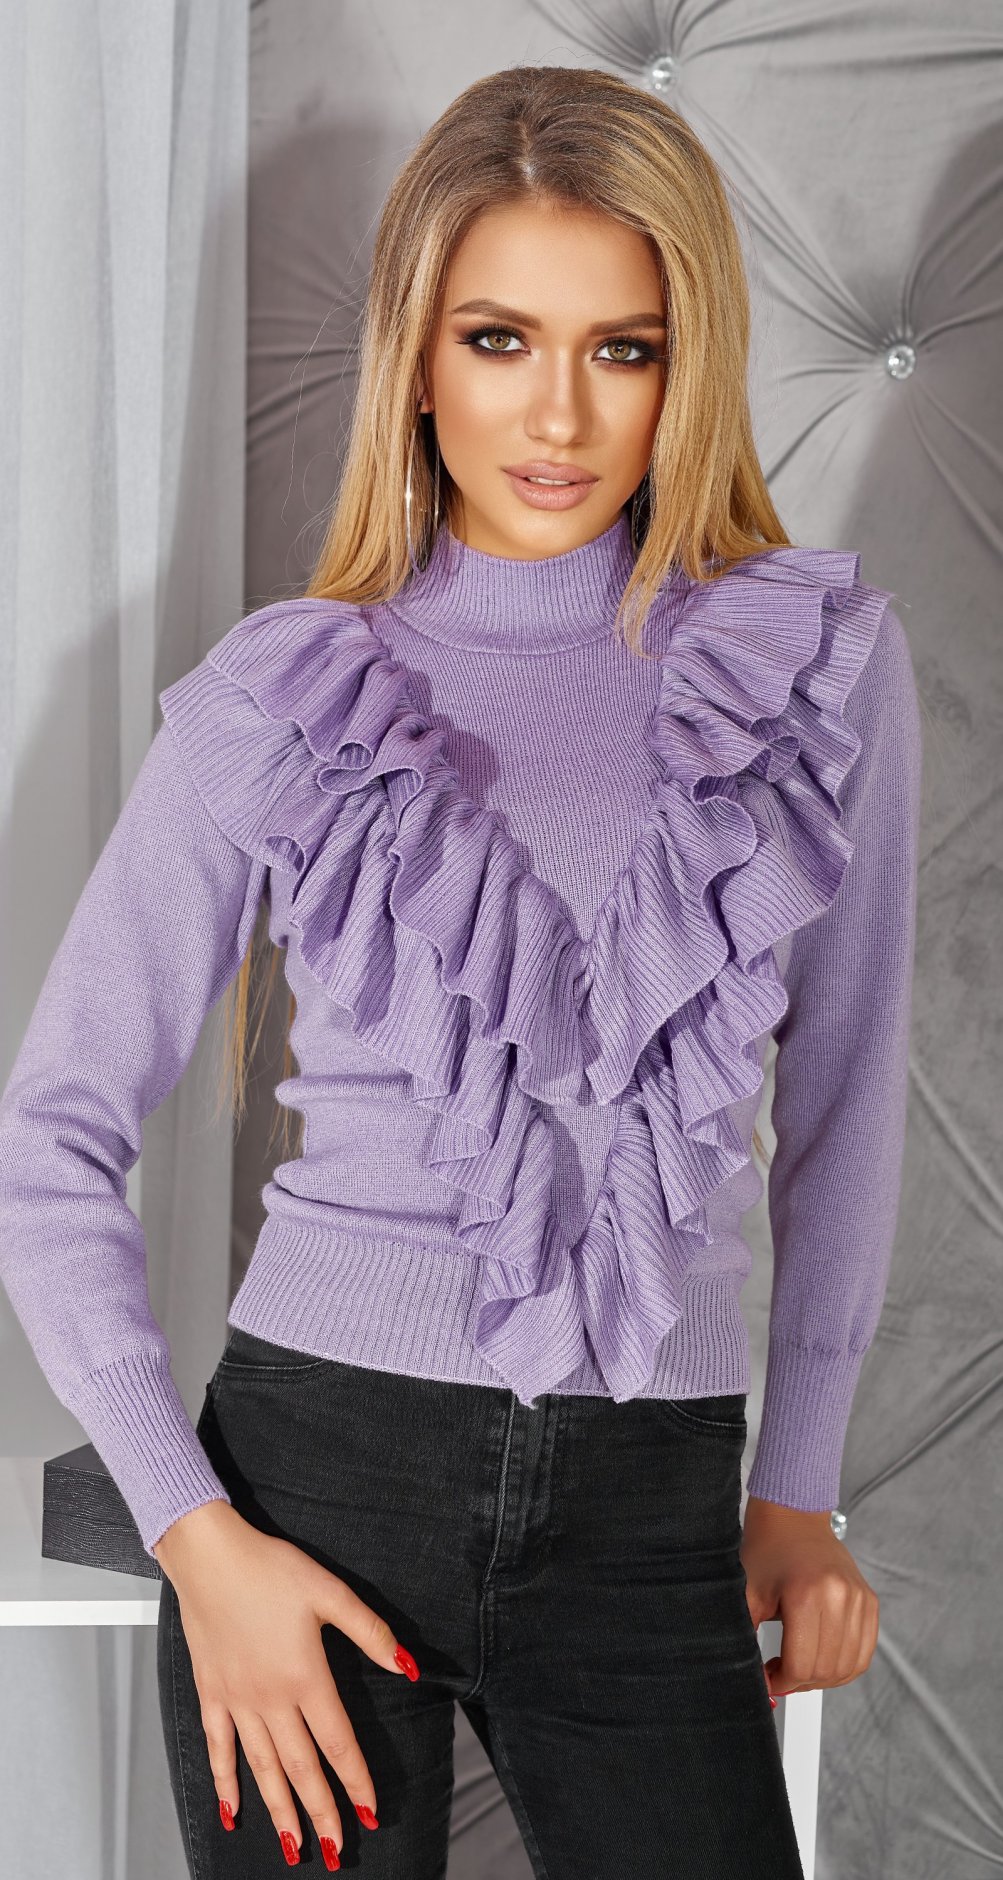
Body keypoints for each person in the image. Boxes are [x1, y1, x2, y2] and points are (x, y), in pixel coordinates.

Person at [0, 63, 922, 1880]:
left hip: (655, 1503)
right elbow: (51, 1141)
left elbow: (843, 1109)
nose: (558, 414)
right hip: (313, 1488)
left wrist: (798, 1484)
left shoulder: (812, 670)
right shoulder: (287, 692)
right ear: (417, 358)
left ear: (689, 366)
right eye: (500, 339)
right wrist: (198, 1539)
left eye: (624, 349)